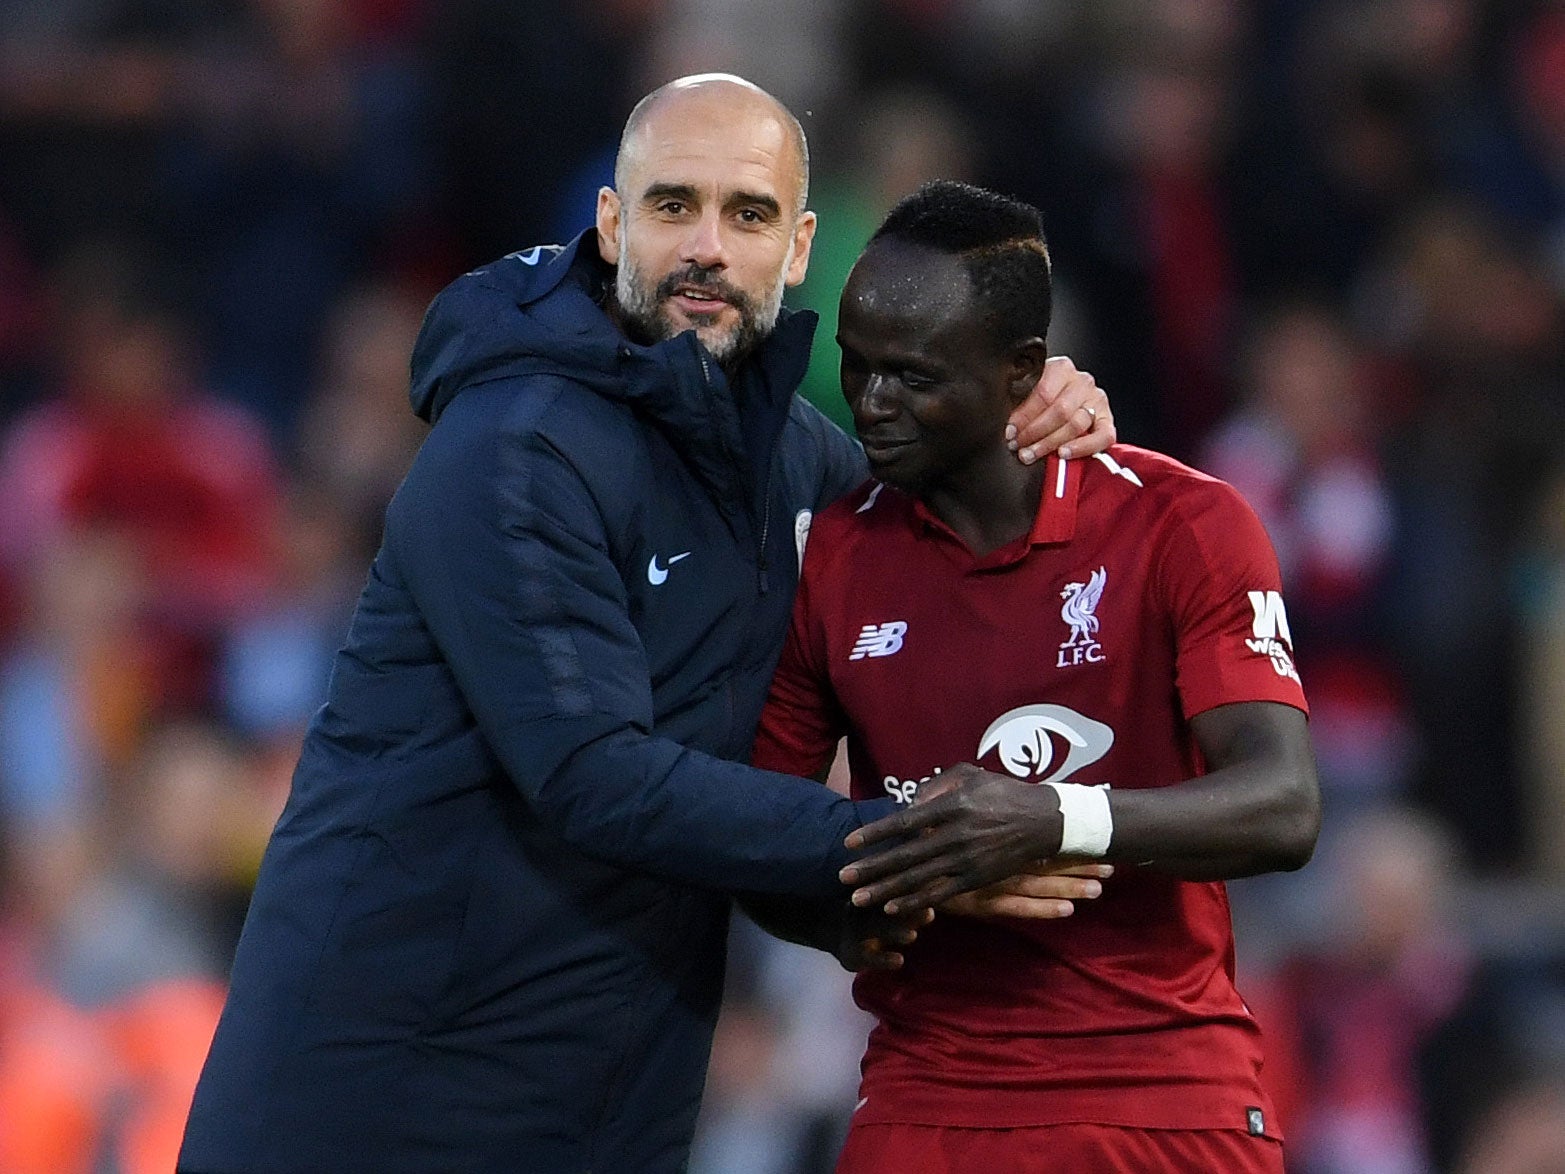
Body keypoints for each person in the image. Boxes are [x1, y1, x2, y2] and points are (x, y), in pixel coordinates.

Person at [177, 76, 1115, 1172]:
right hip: (379, 1093)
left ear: (801, 246)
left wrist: (1037, 428)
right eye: (673, 206)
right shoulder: (515, 444)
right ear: (613, 225)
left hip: (608, 1100)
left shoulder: (796, 465)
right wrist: (908, 847)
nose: (707, 246)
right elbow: (591, 771)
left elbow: (959, 573)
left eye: (747, 214)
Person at [751, 180, 1321, 1172]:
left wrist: (1053, 819)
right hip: (926, 1094)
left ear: (1021, 371)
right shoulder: (834, 554)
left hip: (1159, 1093)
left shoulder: (1180, 524)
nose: (870, 404)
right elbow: (760, 829)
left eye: (911, 376)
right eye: (855, 366)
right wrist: (846, 910)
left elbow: (1281, 807)